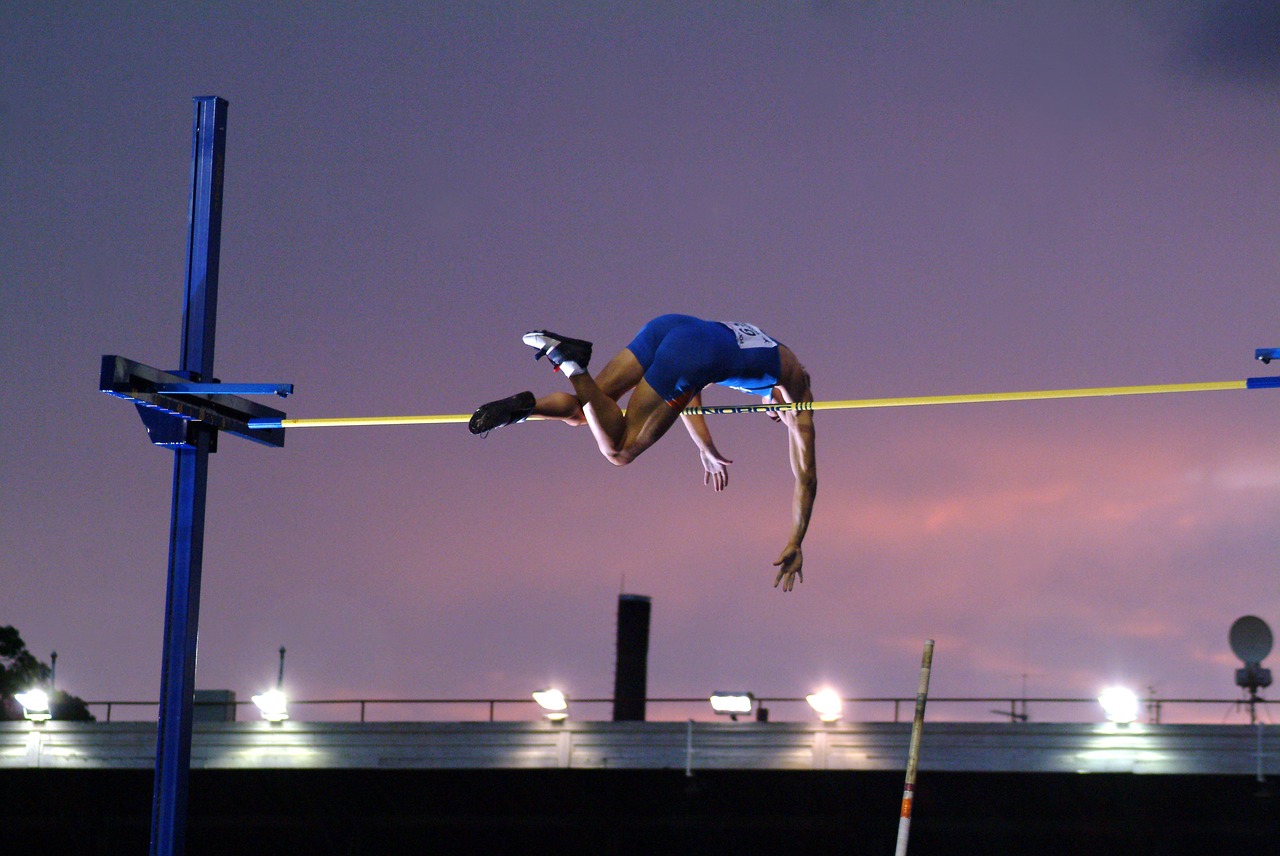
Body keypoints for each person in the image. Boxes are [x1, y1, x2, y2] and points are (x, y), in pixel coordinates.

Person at [470, 314, 816, 592]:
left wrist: (706, 448)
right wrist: (796, 541)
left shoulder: (767, 346)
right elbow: (806, 477)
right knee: (620, 450)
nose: (777, 417)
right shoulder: (798, 394)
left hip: (671, 326)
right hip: (691, 353)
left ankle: (524, 408)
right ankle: (571, 363)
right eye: (777, 414)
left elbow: (698, 380)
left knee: (584, 412)